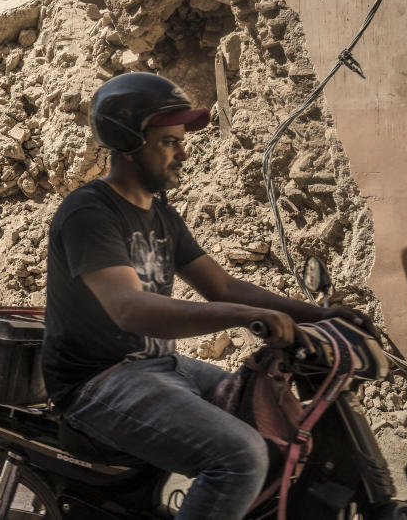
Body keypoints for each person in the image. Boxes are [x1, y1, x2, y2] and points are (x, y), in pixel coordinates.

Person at [42, 72, 374, 520]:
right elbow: (129, 308)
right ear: (127, 143)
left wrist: (318, 314)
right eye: (168, 141)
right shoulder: (89, 213)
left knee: (280, 427)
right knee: (239, 458)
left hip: (158, 367)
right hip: (98, 380)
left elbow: (223, 286)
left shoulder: (161, 216)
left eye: (181, 140)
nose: (183, 152)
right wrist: (242, 315)